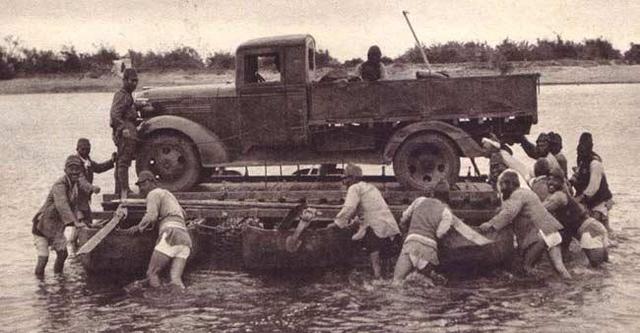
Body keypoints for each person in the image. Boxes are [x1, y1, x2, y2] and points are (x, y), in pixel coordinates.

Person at [479, 170, 572, 279]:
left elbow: (509, 213)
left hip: (542, 235)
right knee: (559, 267)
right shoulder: (526, 192)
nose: (502, 189)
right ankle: (570, 285)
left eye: (502, 185)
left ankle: (533, 291)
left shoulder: (517, 195)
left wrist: (490, 224)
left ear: (509, 184)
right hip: (552, 232)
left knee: (526, 267)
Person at [327, 163, 400, 280]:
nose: (344, 182)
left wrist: (337, 223)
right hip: (390, 228)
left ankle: (376, 279)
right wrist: (354, 222)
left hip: (376, 229)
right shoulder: (370, 187)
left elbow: (349, 208)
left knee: (376, 266)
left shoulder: (354, 188)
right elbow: (368, 209)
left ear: (352, 178)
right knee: (388, 270)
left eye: (345, 178)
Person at [123, 171, 193, 288]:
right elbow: (184, 214)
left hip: (171, 234)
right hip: (185, 238)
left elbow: (151, 216)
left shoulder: (153, 194)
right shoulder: (168, 194)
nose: (141, 189)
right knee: (175, 279)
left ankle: (158, 302)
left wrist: (139, 227)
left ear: (150, 182)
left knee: (151, 273)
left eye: (142, 185)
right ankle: (182, 300)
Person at [31, 155, 85, 276]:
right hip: (42, 225)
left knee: (62, 254)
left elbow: (75, 205)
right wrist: (74, 222)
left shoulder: (74, 185)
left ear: (81, 171)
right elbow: (62, 205)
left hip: (55, 226)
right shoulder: (59, 185)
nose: (75, 172)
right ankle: (40, 286)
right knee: (43, 258)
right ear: (65, 170)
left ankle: (58, 279)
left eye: (77, 169)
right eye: (71, 169)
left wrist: (80, 218)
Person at [392, 182, 455, 286]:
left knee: (397, 281)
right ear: (447, 196)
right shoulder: (446, 212)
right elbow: (440, 234)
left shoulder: (419, 201)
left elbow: (403, 219)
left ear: (432, 193)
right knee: (427, 284)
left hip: (411, 245)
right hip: (428, 251)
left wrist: (405, 233)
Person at [544, 170, 609, 267]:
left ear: (562, 183)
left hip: (589, 232)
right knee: (603, 268)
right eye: (548, 179)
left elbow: (539, 209)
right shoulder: (565, 195)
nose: (550, 182)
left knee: (597, 270)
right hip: (595, 228)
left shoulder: (558, 196)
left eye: (555, 179)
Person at [570, 132, 614, 232]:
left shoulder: (595, 164)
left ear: (590, 147)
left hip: (600, 201)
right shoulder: (582, 160)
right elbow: (578, 173)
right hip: (589, 201)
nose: (581, 151)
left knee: (596, 229)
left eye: (584, 147)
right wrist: (571, 181)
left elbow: (593, 187)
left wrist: (580, 198)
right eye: (580, 148)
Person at [110, 68, 139, 196]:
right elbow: (115, 114)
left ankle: (119, 189)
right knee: (123, 161)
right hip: (125, 131)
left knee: (122, 160)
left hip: (129, 128)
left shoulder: (128, 95)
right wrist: (123, 128)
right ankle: (124, 189)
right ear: (125, 80)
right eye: (132, 81)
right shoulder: (121, 95)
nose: (134, 84)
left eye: (136, 81)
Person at [75, 138, 115, 225]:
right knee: (82, 222)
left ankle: (77, 237)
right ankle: (78, 237)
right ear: (77, 149)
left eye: (88, 149)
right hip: (76, 199)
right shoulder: (75, 163)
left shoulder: (88, 162)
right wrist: (92, 188)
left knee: (86, 221)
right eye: (83, 149)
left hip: (84, 199)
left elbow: (99, 168)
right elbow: (81, 181)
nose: (86, 151)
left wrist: (111, 161)